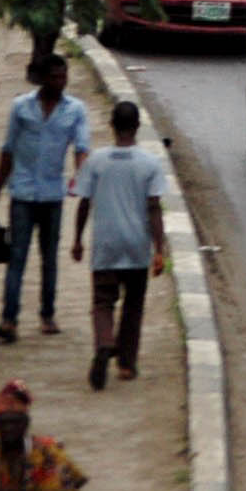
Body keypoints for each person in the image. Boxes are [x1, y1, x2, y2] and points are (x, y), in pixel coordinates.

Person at [0, 54, 90, 343]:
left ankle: (47, 314)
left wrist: (82, 176)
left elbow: (81, 148)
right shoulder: (20, 108)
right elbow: (8, 151)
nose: (60, 82)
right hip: (22, 193)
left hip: (53, 195)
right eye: (54, 77)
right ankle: (9, 320)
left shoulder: (76, 110)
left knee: (49, 258)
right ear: (42, 78)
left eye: (63, 77)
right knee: (16, 257)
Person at [69, 99, 167, 388]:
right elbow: (154, 208)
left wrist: (77, 239)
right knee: (133, 306)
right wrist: (159, 249)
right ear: (137, 127)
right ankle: (126, 364)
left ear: (111, 126)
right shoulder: (150, 163)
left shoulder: (96, 161)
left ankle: (104, 341)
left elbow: (84, 203)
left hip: (106, 245)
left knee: (102, 302)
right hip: (137, 245)